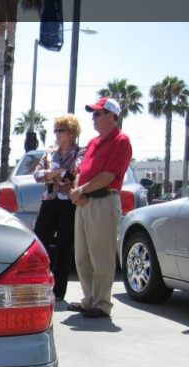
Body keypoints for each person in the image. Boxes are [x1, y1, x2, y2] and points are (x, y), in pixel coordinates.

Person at [68, 97, 132, 318]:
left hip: (104, 202)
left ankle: (102, 304)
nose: (93, 118)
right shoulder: (94, 142)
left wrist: (81, 190)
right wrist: (78, 192)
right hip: (85, 203)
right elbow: (80, 171)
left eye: (97, 113)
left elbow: (108, 176)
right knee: (82, 256)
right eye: (93, 114)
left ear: (112, 116)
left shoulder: (121, 141)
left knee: (101, 256)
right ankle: (89, 300)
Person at [32, 115, 83, 301]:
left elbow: (74, 174)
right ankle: (38, 284)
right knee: (39, 241)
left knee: (65, 245)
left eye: (61, 130)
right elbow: (37, 175)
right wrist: (56, 174)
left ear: (71, 133)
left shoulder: (80, 153)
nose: (57, 134)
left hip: (68, 203)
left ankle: (58, 291)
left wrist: (58, 174)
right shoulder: (49, 153)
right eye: (56, 130)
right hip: (49, 200)